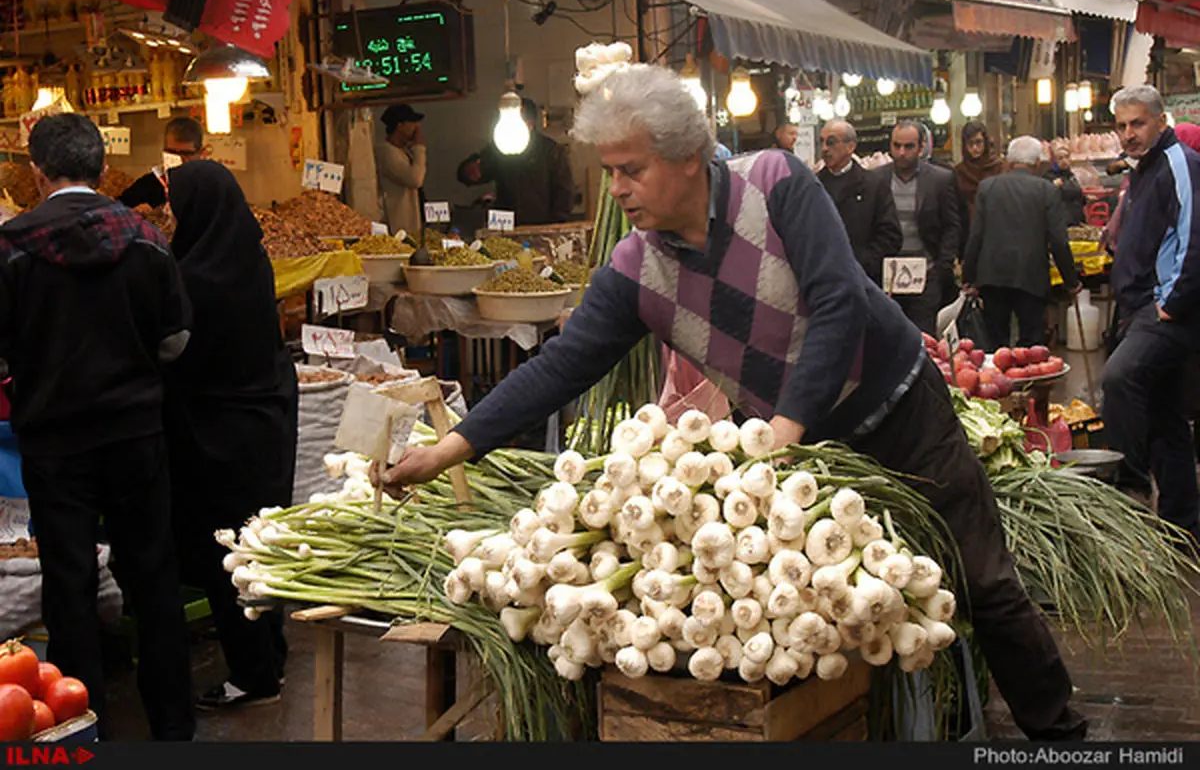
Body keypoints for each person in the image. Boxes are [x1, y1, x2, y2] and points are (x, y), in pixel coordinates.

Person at [379, 65, 1086, 741]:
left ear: (687, 155)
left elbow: (837, 300)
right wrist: (449, 449)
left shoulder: (776, 184)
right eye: (609, 172)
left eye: (633, 168)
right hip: (809, 458)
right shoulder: (634, 269)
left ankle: (1060, 734)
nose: (619, 189)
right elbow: (561, 367)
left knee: (983, 583)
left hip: (900, 411)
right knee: (851, 614)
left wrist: (781, 427)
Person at [0, 113, 194, 740]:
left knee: (69, 583)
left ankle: (84, 729)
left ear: (36, 172)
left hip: (54, 443)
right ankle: (173, 724)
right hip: (135, 434)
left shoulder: (9, 247)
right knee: (152, 573)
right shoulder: (144, 237)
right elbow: (176, 338)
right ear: (103, 169)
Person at [164, 160, 298, 710]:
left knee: (227, 560)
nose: (170, 215)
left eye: (176, 204)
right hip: (266, 425)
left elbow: (179, 360)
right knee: (262, 545)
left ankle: (253, 677)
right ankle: (272, 657)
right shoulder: (253, 259)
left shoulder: (191, 278)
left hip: (218, 440)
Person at [1102, 85, 1200, 544]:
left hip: (1164, 312)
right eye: (1122, 126)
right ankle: (1183, 526)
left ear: (1161, 122)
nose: (1128, 134)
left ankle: (1132, 489)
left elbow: (1193, 237)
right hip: (1142, 307)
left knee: (1118, 379)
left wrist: (1169, 304)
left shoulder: (1181, 164)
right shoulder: (1143, 171)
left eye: (1137, 123)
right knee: (1166, 419)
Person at [962, 136, 1080, 348]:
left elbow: (976, 235)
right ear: (1036, 163)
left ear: (1008, 162)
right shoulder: (1047, 190)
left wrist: (968, 276)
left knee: (996, 343)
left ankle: (999, 379)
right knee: (1032, 345)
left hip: (992, 275)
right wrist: (1071, 281)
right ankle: (1029, 381)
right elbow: (1059, 241)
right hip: (1031, 275)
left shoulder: (987, 188)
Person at [888, 120, 961, 334]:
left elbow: (952, 225)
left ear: (921, 148)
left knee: (924, 339)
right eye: (896, 146)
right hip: (889, 277)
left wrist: (943, 266)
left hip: (926, 274)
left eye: (908, 146)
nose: (902, 152)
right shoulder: (876, 179)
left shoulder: (940, 179)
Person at [456, 97, 574, 225]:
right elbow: (473, 173)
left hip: (541, 226)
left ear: (530, 125)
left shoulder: (551, 151)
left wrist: (555, 226)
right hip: (506, 227)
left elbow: (565, 193)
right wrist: (469, 170)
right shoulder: (499, 147)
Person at [816, 118, 901, 285]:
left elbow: (891, 235)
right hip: (823, 278)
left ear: (851, 147)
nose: (825, 148)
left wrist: (863, 263)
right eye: (822, 142)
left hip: (864, 279)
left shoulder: (873, 184)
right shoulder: (813, 185)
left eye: (831, 142)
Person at [118, 117, 207, 209]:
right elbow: (115, 213)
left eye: (186, 154)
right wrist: (134, 215)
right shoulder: (148, 185)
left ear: (201, 153)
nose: (179, 159)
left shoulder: (210, 188)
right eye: (172, 153)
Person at [953, 121, 1005, 259]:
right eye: (970, 144)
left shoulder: (998, 168)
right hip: (967, 233)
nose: (975, 148)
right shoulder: (959, 172)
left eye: (979, 142)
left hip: (995, 230)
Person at [377, 104, 427, 238]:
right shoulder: (386, 152)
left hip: (409, 225)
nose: (416, 127)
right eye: (412, 123)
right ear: (400, 125)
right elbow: (415, 179)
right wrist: (419, 147)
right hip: (398, 225)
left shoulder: (401, 151)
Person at [1042, 140, 1084, 226]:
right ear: (1053, 161)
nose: (1064, 161)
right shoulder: (1049, 177)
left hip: (1076, 220)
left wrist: (1085, 199)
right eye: (1060, 158)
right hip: (1060, 222)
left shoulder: (1071, 175)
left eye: (1066, 157)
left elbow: (1077, 195)